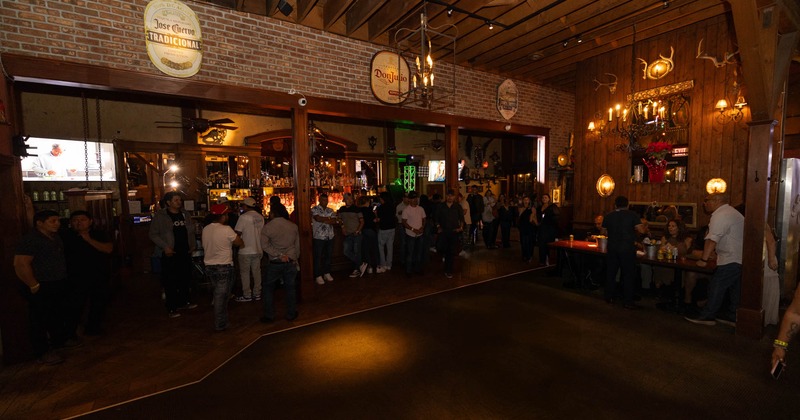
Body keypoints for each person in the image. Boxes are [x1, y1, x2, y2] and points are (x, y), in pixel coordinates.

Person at [14, 210, 75, 365]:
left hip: (57, 281)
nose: (57, 224)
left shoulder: (54, 237)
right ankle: (42, 351)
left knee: (56, 314)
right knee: (39, 318)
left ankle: (58, 342)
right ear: (40, 223)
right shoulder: (31, 240)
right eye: (52, 221)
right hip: (42, 283)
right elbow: (21, 264)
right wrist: (33, 284)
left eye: (58, 221)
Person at [685, 193, 744, 326]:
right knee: (735, 288)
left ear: (717, 200)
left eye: (707, 200)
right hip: (738, 257)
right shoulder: (731, 212)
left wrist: (704, 260)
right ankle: (733, 316)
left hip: (732, 257)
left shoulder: (721, 215)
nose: (704, 203)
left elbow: (712, 239)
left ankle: (708, 315)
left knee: (716, 285)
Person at [62, 210, 113, 337]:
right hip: (75, 276)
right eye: (75, 220)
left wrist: (88, 239)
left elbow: (108, 249)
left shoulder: (98, 233)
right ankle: (70, 332)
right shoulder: (65, 236)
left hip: (98, 274)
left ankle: (93, 327)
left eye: (82, 220)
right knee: (75, 304)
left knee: (98, 303)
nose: (79, 223)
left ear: (90, 221)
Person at [149, 191, 198, 318]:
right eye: (176, 200)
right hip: (170, 253)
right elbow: (153, 234)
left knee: (185, 277)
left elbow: (190, 231)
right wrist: (165, 246)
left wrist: (192, 244)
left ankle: (184, 301)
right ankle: (172, 307)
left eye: (179, 200)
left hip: (184, 251)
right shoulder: (161, 216)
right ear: (168, 202)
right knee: (170, 280)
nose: (179, 202)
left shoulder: (185, 214)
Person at [202, 204, 243, 331]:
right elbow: (239, 243)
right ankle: (220, 323)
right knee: (221, 296)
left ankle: (223, 321)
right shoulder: (226, 229)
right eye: (226, 215)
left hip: (209, 266)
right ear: (223, 216)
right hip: (224, 265)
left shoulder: (206, 229)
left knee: (219, 294)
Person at [603, 195, 646, 309]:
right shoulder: (632, 215)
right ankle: (627, 301)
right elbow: (641, 230)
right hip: (627, 249)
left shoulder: (608, 216)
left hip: (612, 248)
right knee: (628, 275)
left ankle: (609, 297)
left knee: (611, 273)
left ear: (615, 205)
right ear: (627, 205)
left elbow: (604, 232)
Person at [260, 203, 300, 322]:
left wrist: (279, 254)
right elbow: (297, 246)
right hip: (291, 260)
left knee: (268, 288)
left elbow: (264, 245)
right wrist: (295, 258)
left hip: (275, 262)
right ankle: (291, 313)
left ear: (272, 213)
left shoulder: (268, 227)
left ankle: (269, 315)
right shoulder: (293, 226)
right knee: (290, 288)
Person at [234, 197, 265, 302]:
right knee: (257, 272)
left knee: (245, 273)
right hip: (258, 248)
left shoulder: (243, 217)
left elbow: (237, 232)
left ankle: (247, 294)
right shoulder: (260, 217)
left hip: (245, 249)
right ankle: (257, 293)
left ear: (245, 206)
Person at [434, 189, 465, 278]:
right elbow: (436, 218)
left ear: (454, 197)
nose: (449, 197)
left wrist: (461, 227)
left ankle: (449, 270)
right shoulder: (441, 206)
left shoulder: (457, 206)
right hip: (443, 232)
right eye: (448, 195)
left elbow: (461, 218)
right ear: (446, 196)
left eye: (451, 196)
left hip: (454, 231)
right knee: (442, 249)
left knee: (451, 251)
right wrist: (438, 227)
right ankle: (445, 264)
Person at [311, 193, 337, 285]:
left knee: (328, 256)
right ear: (319, 200)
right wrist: (328, 219)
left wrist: (325, 219)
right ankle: (318, 275)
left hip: (330, 236)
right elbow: (318, 218)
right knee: (318, 257)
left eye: (326, 200)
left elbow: (334, 220)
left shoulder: (330, 210)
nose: (325, 202)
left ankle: (327, 273)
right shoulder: (314, 209)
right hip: (318, 236)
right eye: (323, 200)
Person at [338, 192, 365, 278]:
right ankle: (361, 264)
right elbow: (339, 220)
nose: (349, 200)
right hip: (348, 234)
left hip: (356, 233)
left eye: (350, 199)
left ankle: (357, 270)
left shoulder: (357, 209)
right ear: (344, 200)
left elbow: (362, 221)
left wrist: (358, 230)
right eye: (347, 199)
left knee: (357, 252)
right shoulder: (341, 209)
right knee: (346, 251)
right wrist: (342, 227)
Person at [402, 191, 426, 275]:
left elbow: (424, 218)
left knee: (419, 252)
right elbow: (404, 222)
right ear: (409, 200)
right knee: (410, 253)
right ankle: (408, 270)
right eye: (413, 198)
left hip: (420, 234)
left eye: (416, 198)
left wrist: (422, 227)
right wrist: (413, 229)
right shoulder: (406, 210)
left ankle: (417, 269)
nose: (415, 200)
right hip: (410, 234)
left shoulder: (421, 209)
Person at [358, 195, 380, 275]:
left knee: (366, 249)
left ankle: (369, 267)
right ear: (367, 202)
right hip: (371, 230)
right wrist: (376, 214)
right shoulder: (371, 209)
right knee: (374, 249)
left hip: (363, 230)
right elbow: (376, 219)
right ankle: (377, 266)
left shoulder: (359, 210)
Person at [536, 192, 559, 265]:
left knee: (549, 244)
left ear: (549, 199)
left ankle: (550, 260)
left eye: (546, 197)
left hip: (550, 228)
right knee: (542, 244)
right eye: (543, 198)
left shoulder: (553, 207)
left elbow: (556, 217)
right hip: (542, 228)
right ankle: (542, 260)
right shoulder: (539, 207)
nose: (544, 199)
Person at [375, 192, 396, 272]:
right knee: (390, 247)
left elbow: (379, 218)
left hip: (383, 228)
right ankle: (389, 265)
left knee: (381, 247)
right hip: (392, 228)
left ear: (382, 199)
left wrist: (376, 214)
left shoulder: (381, 208)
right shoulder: (392, 206)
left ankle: (383, 264)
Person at [518, 195, 536, 263]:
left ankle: (529, 256)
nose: (526, 201)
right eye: (524, 200)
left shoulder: (532, 208)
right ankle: (524, 255)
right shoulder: (521, 208)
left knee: (529, 242)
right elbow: (519, 217)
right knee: (523, 242)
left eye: (527, 200)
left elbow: (533, 218)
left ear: (529, 201)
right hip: (523, 227)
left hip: (529, 227)